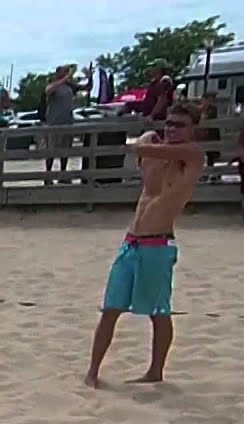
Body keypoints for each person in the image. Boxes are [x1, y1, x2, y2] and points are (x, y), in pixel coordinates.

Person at [84, 103, 205, 388]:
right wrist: (148, 137)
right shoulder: (155, 152)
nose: (172, 129)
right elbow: (143, 145)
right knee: (110, 308)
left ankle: (155, 370)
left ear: (193, 129)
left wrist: (146, 141)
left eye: (180, 125)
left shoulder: (192, 155)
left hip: (158, 243)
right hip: (132, 240)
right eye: (169, 123)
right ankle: (92, 371)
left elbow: (141, 147)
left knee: (158, 311)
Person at [43, 64, 93, 182]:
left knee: (66, 150)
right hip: (53, 123)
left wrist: (90, 77)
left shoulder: (70, 86)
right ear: (58, 73)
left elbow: (88, 88)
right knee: (51, 151)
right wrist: (66, 78)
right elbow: (48, 91)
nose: (67, 73)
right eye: (64, 71)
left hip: (67, 122)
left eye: (68, 71)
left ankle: (63, 175)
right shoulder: (53, 84)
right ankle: (48, 176)